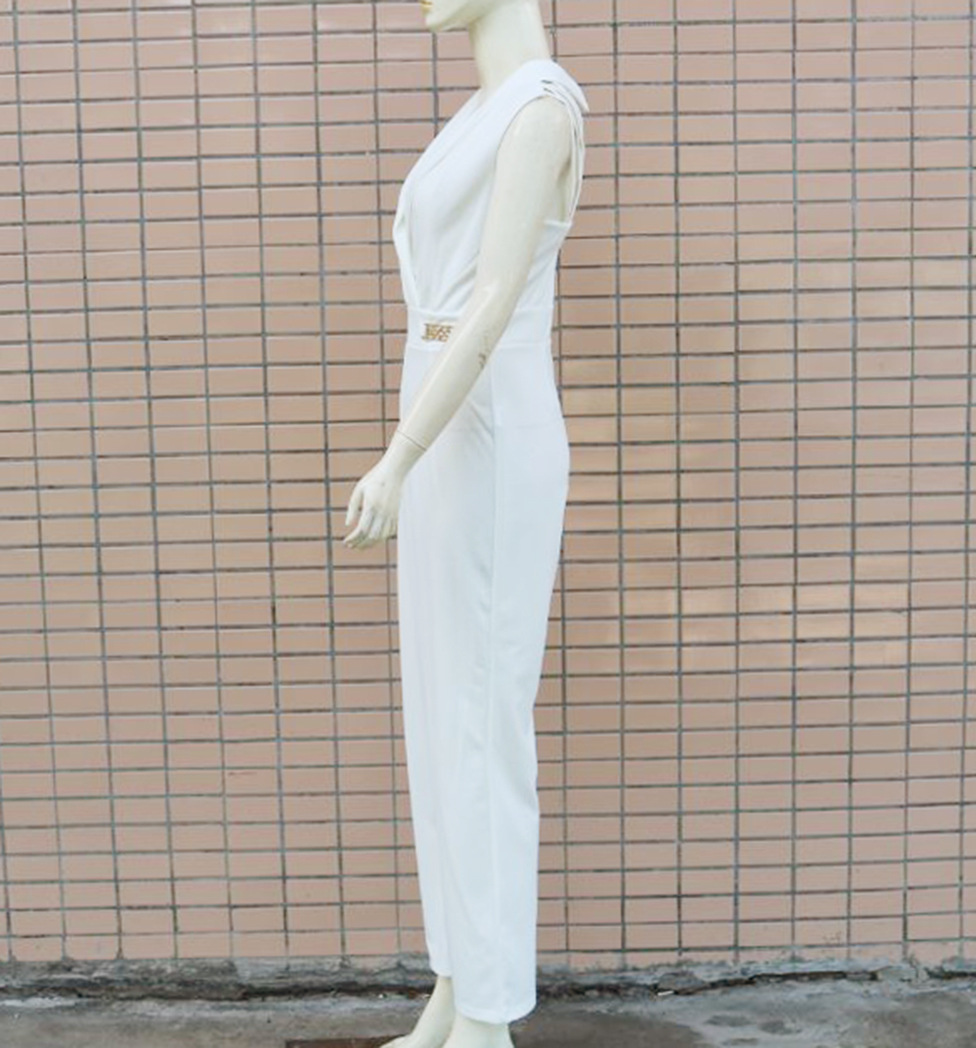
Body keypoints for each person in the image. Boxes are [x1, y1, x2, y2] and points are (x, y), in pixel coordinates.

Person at [343, 1, 589, 1046]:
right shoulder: (479, 109)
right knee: (439, 720)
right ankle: (453, 984)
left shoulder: (539, 109)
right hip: (442, 416)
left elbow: (490, 303)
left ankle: (489, 1016)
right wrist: (411, 447)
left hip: (486, 426)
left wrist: (398, 454)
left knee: (484, 725)